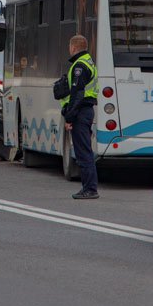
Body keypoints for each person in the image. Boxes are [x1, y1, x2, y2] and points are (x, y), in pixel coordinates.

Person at [61, 34, 98, 199]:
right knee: (85, 150)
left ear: (74, 47)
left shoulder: (80, 66)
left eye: (70, 47)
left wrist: (69, 117)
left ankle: (90, 189)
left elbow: (77, 94)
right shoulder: (88, 61)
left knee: (83, 152)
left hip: (81, 112)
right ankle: (89, 187)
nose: (69, 50)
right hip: (85, 111)